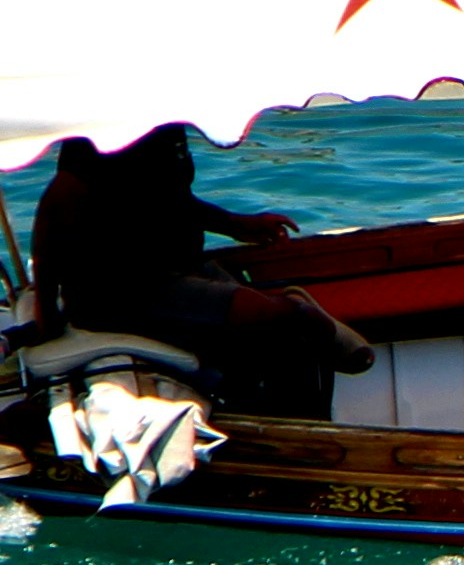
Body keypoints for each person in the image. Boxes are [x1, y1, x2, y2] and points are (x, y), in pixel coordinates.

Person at [27, 124, 375, 417]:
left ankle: (304, 425)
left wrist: (237, 224)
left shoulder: (168, 127)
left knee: (286, 333)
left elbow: (172, 199)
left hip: (183, 268)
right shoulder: (107, 130)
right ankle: (300, 431)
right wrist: (46, 310)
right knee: (289, 318)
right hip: (130, 289)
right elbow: (52, 212)